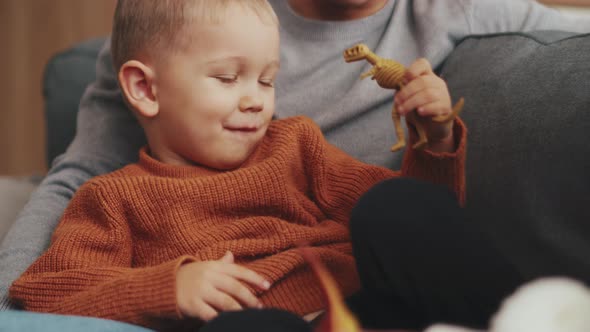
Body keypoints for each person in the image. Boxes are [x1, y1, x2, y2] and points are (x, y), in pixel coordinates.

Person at [1, 0, 590, 330]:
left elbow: (415, 218)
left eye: (267, 79)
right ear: (144, 90)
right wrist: (169, 286)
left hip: (369, 307)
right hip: (270, 326)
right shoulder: (112, 199)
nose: (256, 98)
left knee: (393, 206)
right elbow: (49, 290)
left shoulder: (295, 146)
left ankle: (526, 320)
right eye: (229, 79)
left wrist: (434, 141)